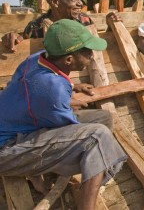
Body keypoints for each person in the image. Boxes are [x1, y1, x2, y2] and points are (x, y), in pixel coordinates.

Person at [0, 19, 127, 210]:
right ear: (69, 60)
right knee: (98, 137)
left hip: (19, 127)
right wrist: (63, 100)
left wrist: (72, 86)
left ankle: (50, 172)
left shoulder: (35, 59)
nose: (92, 56)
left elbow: (36, 87)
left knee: (103, 118)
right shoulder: (53, 90)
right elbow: (69, 127)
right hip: (8, 151)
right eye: (87, 52)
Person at [1, 0, 120, 52]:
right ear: (55, 2)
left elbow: (99, 48)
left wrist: (111, 27)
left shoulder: (84, 20)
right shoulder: (35, 29)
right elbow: (21, 46)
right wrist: (14, 38)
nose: (80, 4)